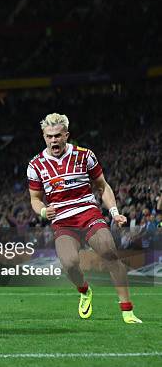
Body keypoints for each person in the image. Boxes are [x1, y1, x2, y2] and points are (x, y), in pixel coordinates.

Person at [27, 113, 141, 324]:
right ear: (43, 137)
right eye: (49, 136)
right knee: (69, 264)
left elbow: (103, 186)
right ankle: (84, 290)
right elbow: (35, 199)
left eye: (58, 135)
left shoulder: (84, 155)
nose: (54, 140)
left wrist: (114, 213)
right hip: (62, 221)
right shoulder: (36, 165)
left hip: (88, 213)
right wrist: (43, 211)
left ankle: (127, 310)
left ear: (66, 135)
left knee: (108, 250)